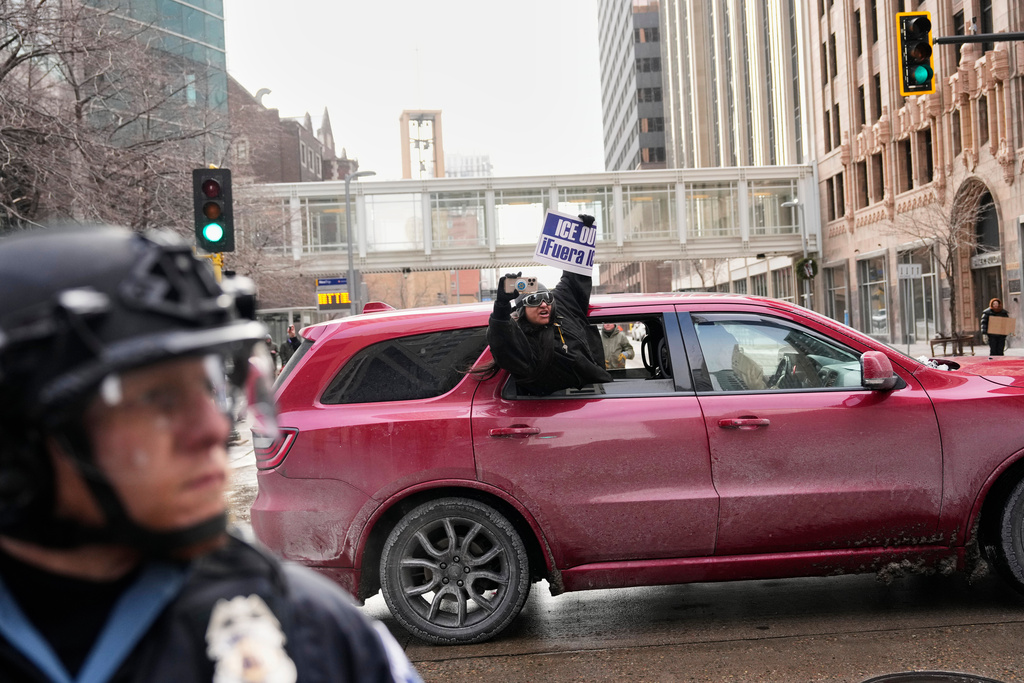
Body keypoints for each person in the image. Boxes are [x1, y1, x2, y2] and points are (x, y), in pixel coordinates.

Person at [0, 225, 421, 683]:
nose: (214, 428)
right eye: (155, 399)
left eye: (209, 386)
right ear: (17, 440)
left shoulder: (311, 636)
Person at [484, 214, 612, 396]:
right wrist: (501, 306)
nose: (543, 304)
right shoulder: (523, 343)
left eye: (546, 297)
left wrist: (580, 235)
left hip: (600, 395)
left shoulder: (562, 309)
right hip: (561, 409)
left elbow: (573, 278)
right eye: (534, 301)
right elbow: (503, 339)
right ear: (521, 311)